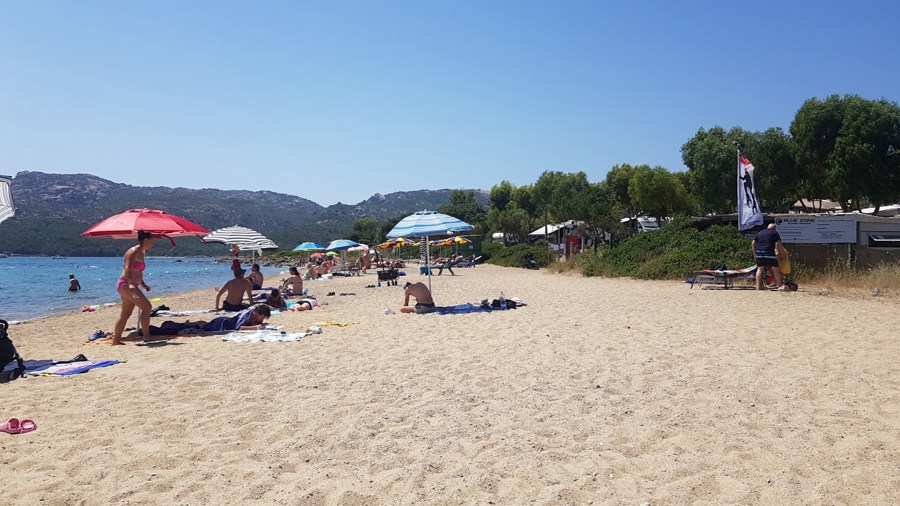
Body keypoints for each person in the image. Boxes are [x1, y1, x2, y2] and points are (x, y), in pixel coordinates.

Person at [112, 230, 156, 345]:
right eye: (152, 240)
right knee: (147, 307)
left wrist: (143, 284)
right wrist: (131, 283)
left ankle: (116, 340)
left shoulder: (142, 252)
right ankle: (147, 336)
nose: (153, 243)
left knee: (126, 314)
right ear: (145, 240)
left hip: (132, 285)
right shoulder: (133, 251)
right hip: (126, 285)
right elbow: (127, 268)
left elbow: (137, 271)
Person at [753, 223, 786, 291]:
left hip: (759, 253)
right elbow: (779, 244)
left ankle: (758, 286)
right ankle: (779, 286)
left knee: (760, 269)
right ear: (774, 228)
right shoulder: (775, 233)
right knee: (776, 270)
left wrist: (755, 254)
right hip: (769, 253)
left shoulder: (760, 233)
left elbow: (753, 243)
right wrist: (782, 255)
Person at [202, 304, 271, 332]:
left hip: (225, 321)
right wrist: (258, 327)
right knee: (202, 326)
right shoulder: (246, 316)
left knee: (205, 324)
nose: (263, 319)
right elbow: (239, 328)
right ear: (257, 313)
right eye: (263, 317)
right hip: (222, 324)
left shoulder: (256, 315)